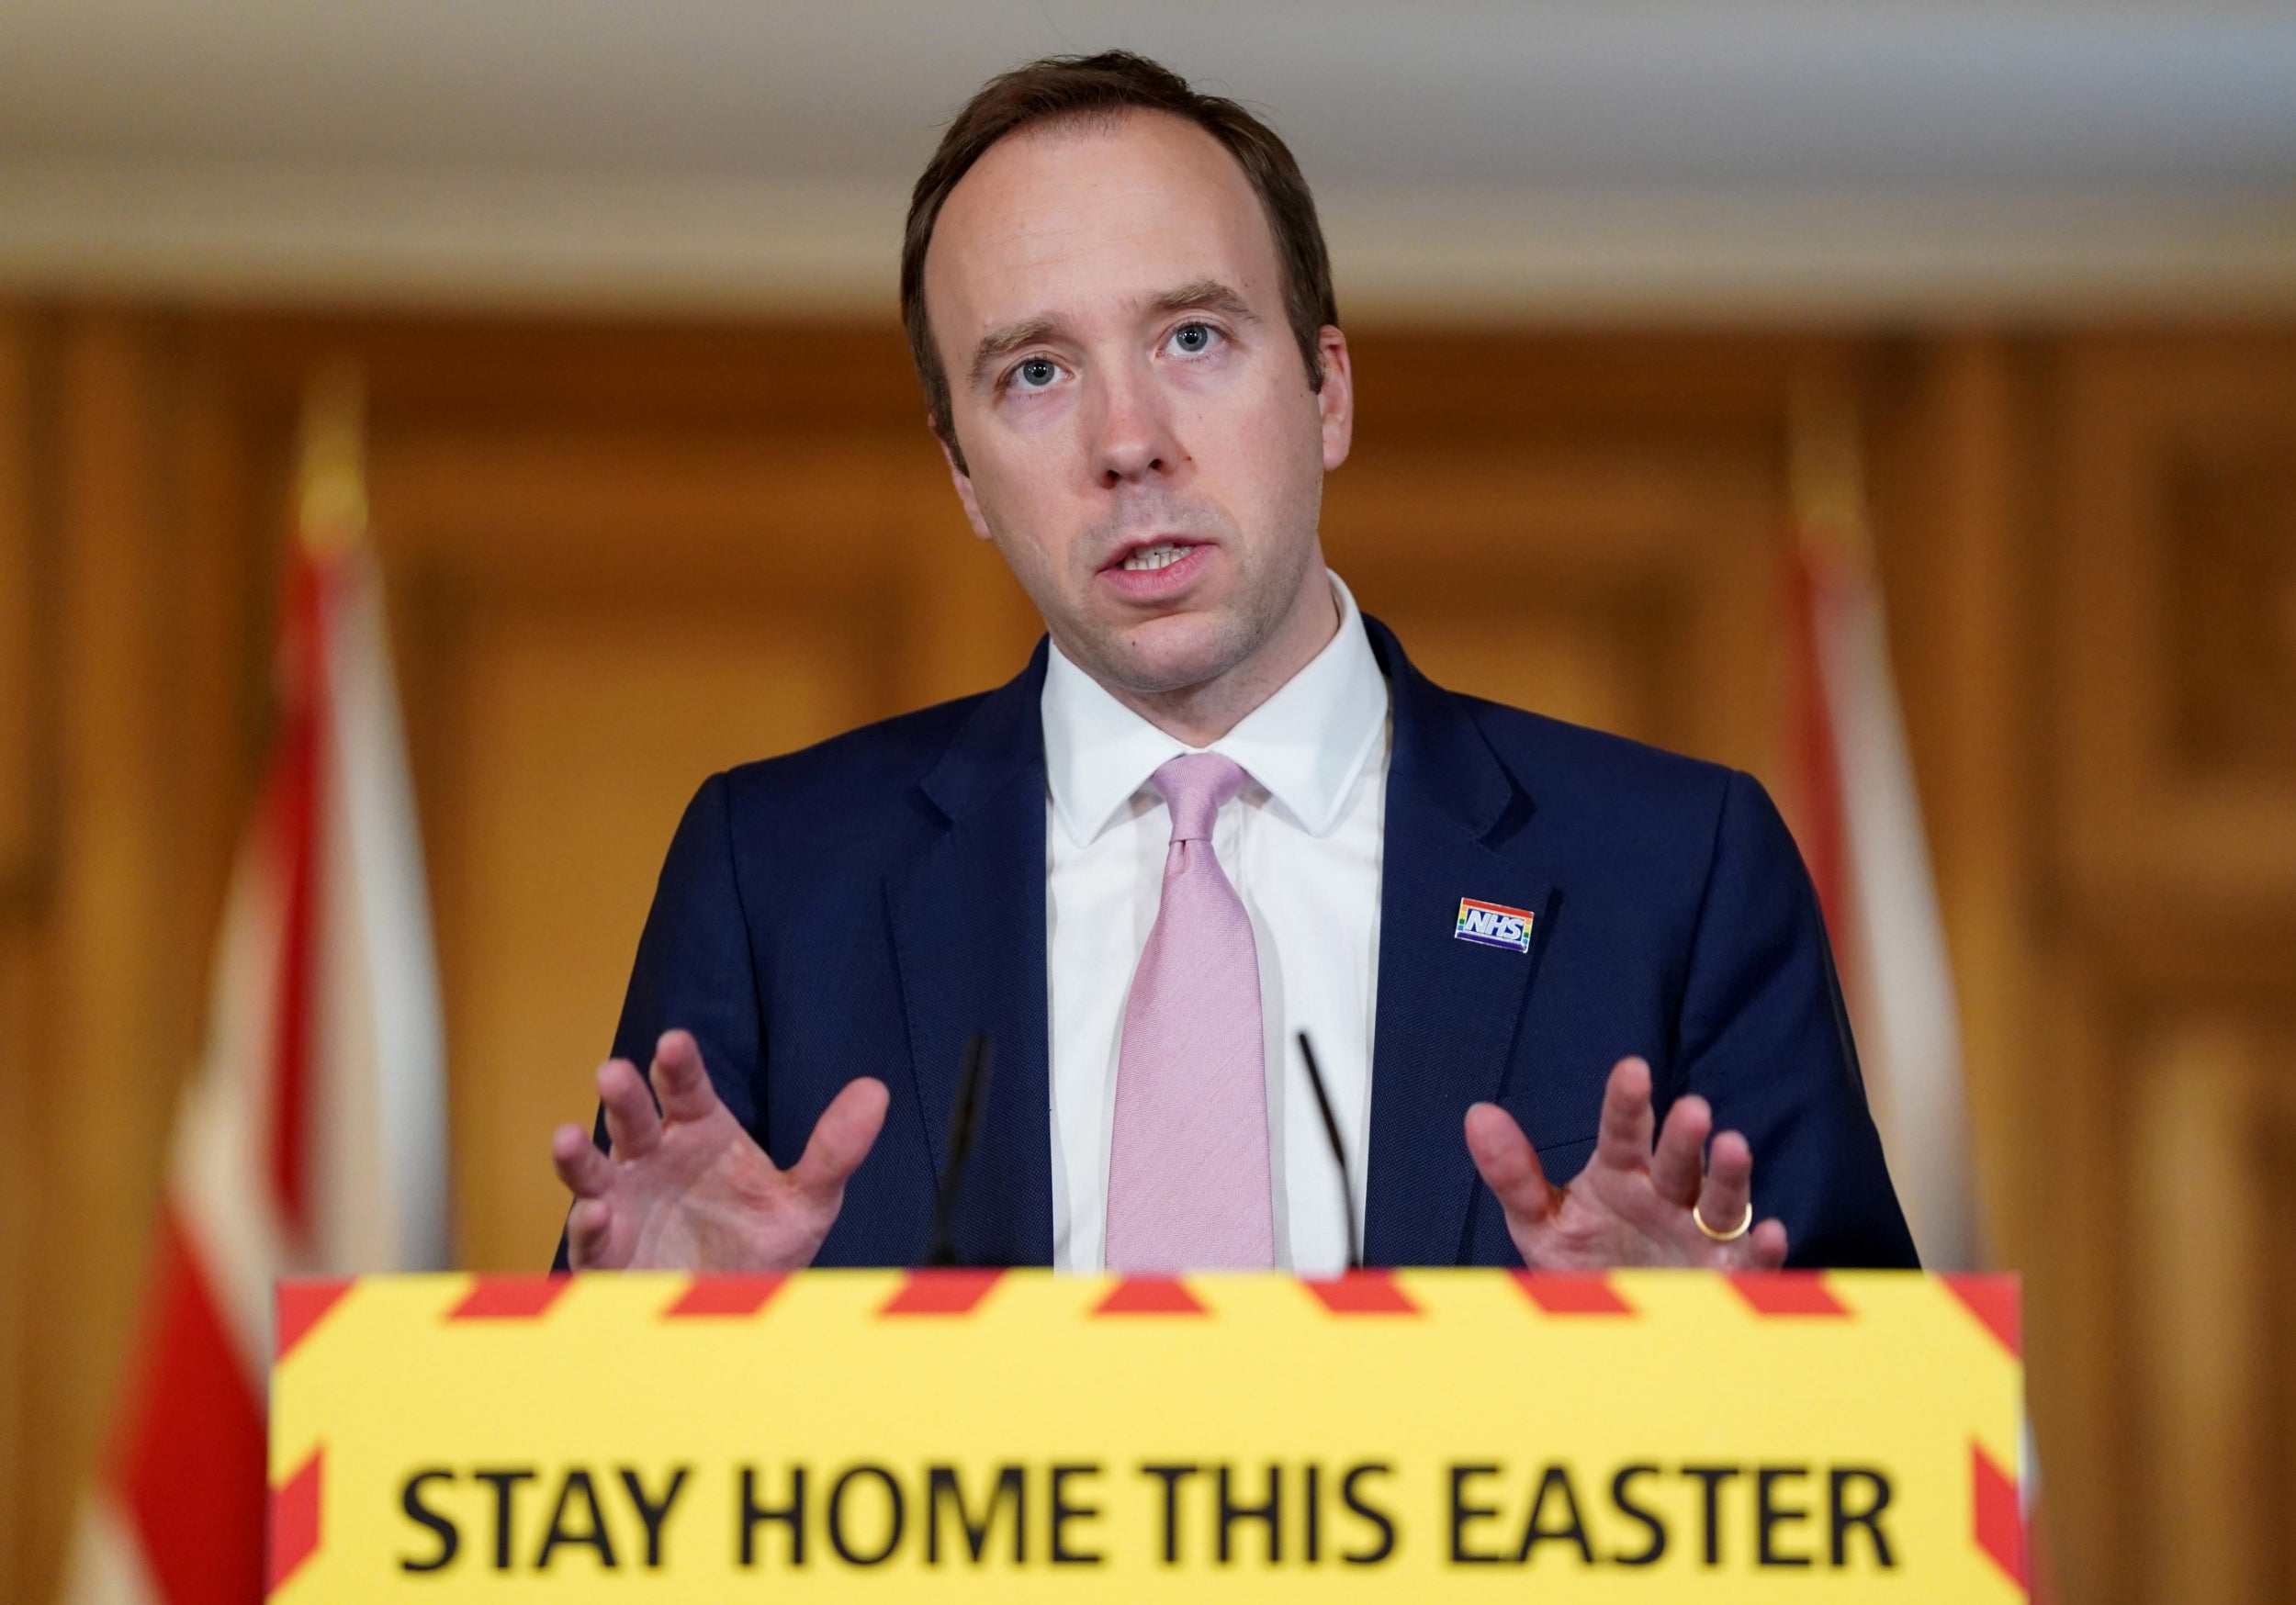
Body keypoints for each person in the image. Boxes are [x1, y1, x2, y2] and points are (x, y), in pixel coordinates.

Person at [549, 51, 1917, 1277]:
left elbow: (1886, 1464)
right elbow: (584, 1491)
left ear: (1326, 390)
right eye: (1034, 372)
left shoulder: (1677, 870)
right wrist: (644, 1355)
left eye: (1192, 337)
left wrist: (1730, 1377)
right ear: (963, 471)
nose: (1127, 438)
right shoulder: (777, 876)